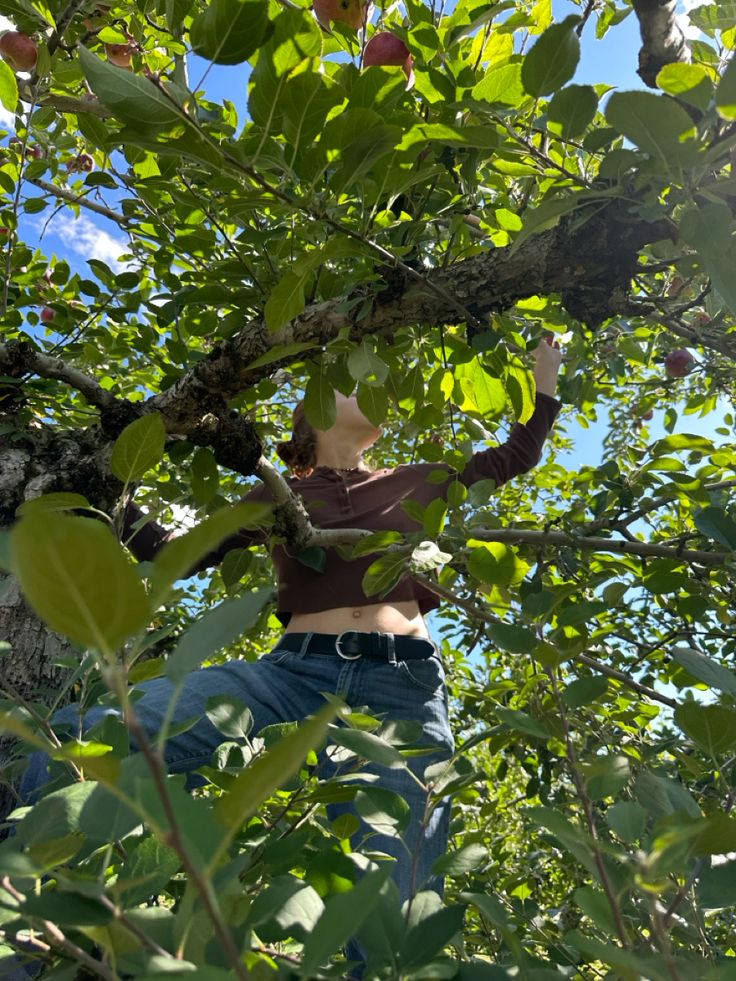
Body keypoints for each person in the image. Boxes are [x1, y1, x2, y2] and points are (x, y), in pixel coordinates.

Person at [14, 338, 562, 976]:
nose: (376, 386)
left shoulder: (421, 479)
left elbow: (514, 457)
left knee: (392, 900)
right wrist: (101, 486)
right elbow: (172, 554)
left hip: (401, 690)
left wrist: (545, 380)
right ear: (315, 409)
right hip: (292, 673)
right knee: (99, 736)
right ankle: (32, 927)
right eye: (358, 380)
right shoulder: (278, 494)